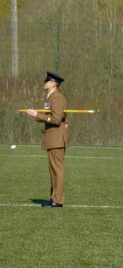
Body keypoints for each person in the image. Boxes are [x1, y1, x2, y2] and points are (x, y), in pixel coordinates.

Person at [26, 72, 69, 207]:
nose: (45, 83)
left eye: (47, 81)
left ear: (54, 83)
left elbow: (56, 119)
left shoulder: (57, 98)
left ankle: (57, 200)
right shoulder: (50, 97)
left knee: (57, 170)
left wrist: (36, 114)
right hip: (52, 137)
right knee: (54, 170)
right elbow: (59, 117)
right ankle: (54, 198)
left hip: (56, 137)